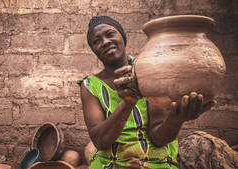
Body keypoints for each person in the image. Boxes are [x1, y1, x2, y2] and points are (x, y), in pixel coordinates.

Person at [79, 16, 216, 169]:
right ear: (93, 50)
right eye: (96, 41)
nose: (105, 42)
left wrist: (176, 119)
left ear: (123, 37)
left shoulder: (150, 73)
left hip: (156, 164)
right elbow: (100, 141)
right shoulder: (89, 86)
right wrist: (128, 103)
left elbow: (158, 137)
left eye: (110, 34)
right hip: (111, 164)